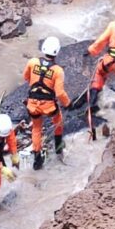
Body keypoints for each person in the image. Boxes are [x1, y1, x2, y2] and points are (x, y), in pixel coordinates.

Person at [23, 36, 71, 169]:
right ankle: (59, 148)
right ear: (57, 51)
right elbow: (60, 93)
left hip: (33, 104)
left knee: (36, 129)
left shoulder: (32, 62)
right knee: (58, 121)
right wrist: (68, 104)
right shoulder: (57, 70)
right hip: (49, 106)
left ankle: (37, 158)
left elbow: (26, 77)